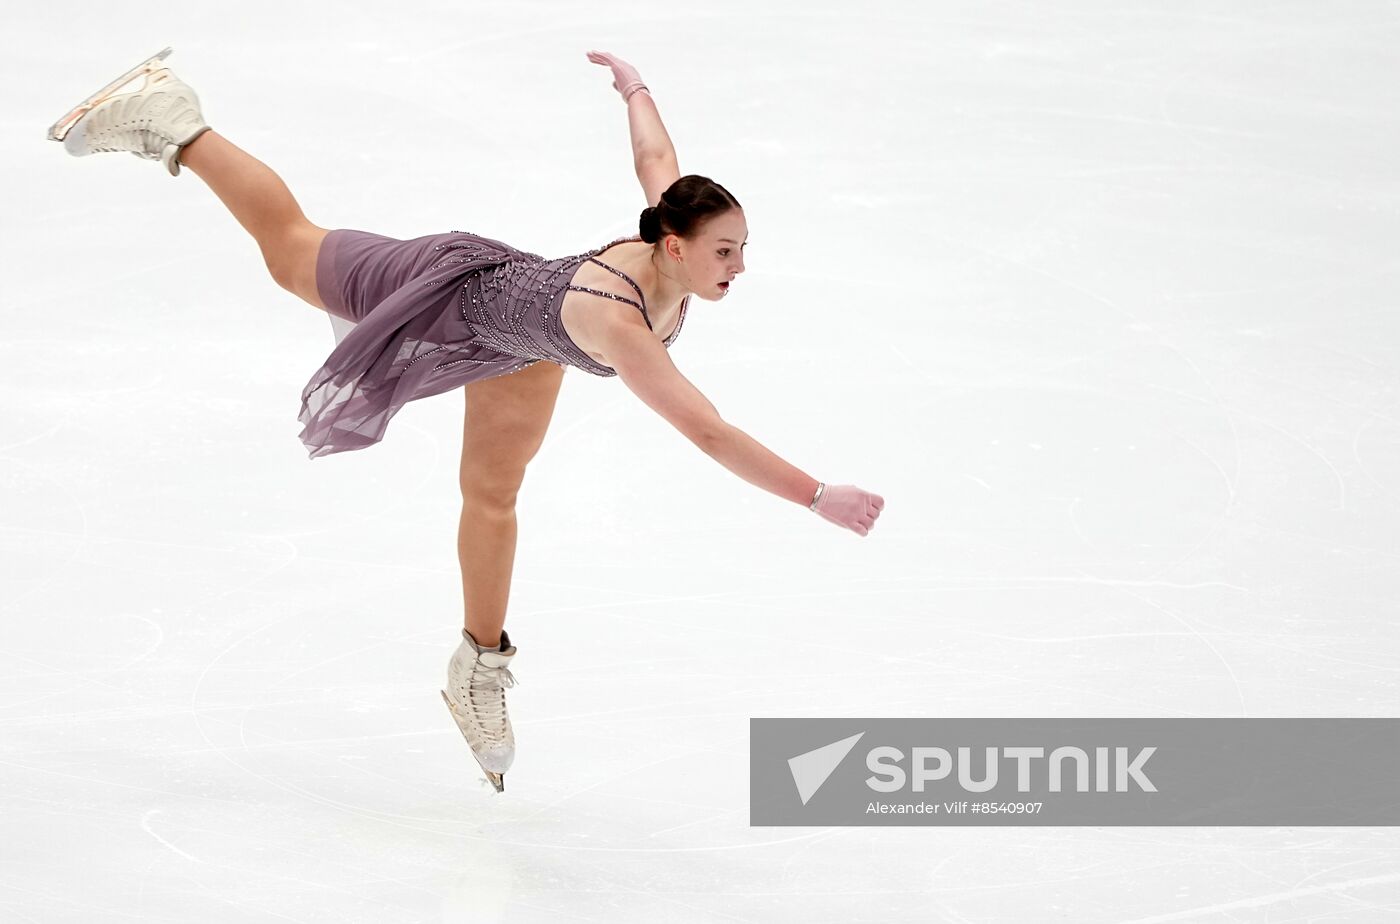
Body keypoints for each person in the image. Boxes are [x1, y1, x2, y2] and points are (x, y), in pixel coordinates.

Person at [48, 47, 886, 792]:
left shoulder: (672, 225)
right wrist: (816, 496)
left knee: (492, 494)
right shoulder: (619, 323)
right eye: (725, 251)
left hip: (518, 348)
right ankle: (172, 116)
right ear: (673, 245)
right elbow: (708, 430)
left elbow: (656, 156)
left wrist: (636, 88)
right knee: (287, 250)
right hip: (450, 293)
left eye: (741, 247)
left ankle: (477, 667)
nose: (740, 265)